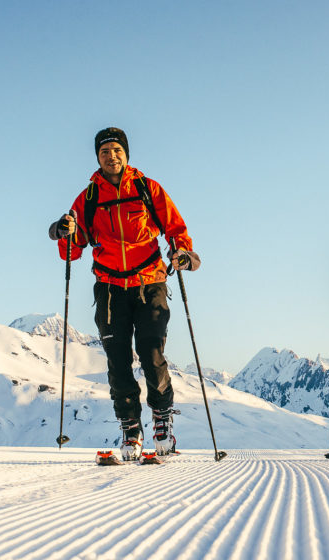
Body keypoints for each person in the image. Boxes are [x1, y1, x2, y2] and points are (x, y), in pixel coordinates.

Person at [48, 127, 201, 466]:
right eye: (105, 152)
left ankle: (161, 418)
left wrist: (185, 255)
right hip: (109, 288)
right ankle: (130, 426)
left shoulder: (148, 189)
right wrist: (64, 231)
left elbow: (176, 230)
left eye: (116, 150)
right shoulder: (88, 198)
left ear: (126, 154)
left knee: (152, 353)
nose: (111, 156)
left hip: (150, 283)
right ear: (98, 158)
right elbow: (73, 249)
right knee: (117, 359)